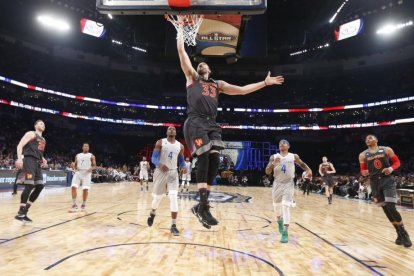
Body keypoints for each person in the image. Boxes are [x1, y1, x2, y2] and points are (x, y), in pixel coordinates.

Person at [176, 15, 285, 228]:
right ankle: (203, 206)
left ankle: (201, 206)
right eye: (200, 63)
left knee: (215, 161)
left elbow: (243, 90)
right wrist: (180, 28)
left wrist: (264, 82)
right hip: (195, 122)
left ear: (210, 71)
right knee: (205, 158)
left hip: (212, 124)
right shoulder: (191, 77)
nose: (202, 64)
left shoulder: (218, 84)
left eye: (205, 64)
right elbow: (181, 51)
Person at [358, 134, 411, 248]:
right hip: (374, 183)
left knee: (391, 206)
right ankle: (399, 233)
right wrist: (364, 172)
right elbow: (362, 170)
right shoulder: (362, 155)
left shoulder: (386, 149)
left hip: (387, 180)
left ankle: (404, 233)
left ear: (376, 140)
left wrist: (391, 168)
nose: (368, 139)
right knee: (386, 209)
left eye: (371, 138)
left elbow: (397, 162)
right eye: (366, 138)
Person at [265, 139, 312, 243]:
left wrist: (309, 170)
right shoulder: (274, 156)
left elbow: (302, 164)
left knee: (285, 206)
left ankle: (285, 232)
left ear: (288, 146)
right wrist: (273, 163)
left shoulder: (293, 156)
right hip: (277, 183)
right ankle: (280, 222)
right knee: (277, 209)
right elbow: (267, 171)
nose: (282, 143)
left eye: (284, 142)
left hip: (289, 184)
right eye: (280, 143)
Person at [147, 126, 187, 236]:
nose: (171, 129)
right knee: (158, 198)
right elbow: (153, 158)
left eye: (173, 129)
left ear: (176, 132)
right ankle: (152, 213)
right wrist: (159, 164)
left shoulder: (180, 146)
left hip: (173, 173)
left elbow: (181, 160)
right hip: (160, 172)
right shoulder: (160, 142)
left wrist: (183, 166)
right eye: (169, 128)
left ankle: (173, 225)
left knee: (173, 197)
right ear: (166, 131)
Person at [14, 120, 47, 223]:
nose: (43, 125)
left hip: (37, 163)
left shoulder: (43, 139)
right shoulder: (31, 133)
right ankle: (20, 212)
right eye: (41, 123)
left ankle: (25, 211)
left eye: (44, 124)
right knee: (29, 185)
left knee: (40, 186)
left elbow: (39, 151)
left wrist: (43, 159)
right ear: (35, 125)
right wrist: (19, 159)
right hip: (29, 161)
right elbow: (19, 146)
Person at [69, 143, 96, 212]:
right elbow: (75, 165)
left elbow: (94, 166)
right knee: (73, 187)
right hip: (78, 172)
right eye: (84, 146)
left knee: (85, 189)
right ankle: (74, 204)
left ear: (89, 148)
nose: (86, 147)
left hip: (87, 173)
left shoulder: (91, 156)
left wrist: (91, 168)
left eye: (87, 146)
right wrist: (73, 165)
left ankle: (83, 204)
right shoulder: (78, 155)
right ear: (82, 147)